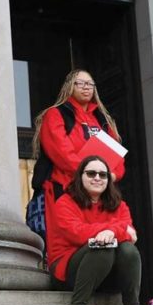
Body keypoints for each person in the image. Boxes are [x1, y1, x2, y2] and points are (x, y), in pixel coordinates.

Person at [46, 156, 149, 305]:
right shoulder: (65, 202)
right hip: (69, 272)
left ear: (109, 180)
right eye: (91, 173)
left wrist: (112, 232)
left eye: (103, 175)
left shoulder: (120, 205)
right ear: (80, 176)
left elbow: (132, 237)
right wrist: (115, 230)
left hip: (107, 273)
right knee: (102, 247)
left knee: (128, 249)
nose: (97, 178)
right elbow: (77, 233)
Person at [31, 69, 124, 244]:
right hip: (64, 189)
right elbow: (61, 152)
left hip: (98, 194)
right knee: (67, 242)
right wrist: (91, 172)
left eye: (89, 84)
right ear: (69, 86)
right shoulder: (56, 114)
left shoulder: (103, 119)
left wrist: (113, 175)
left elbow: (117, 156)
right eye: (80, 83)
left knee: (100, 240)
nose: (86, 87)